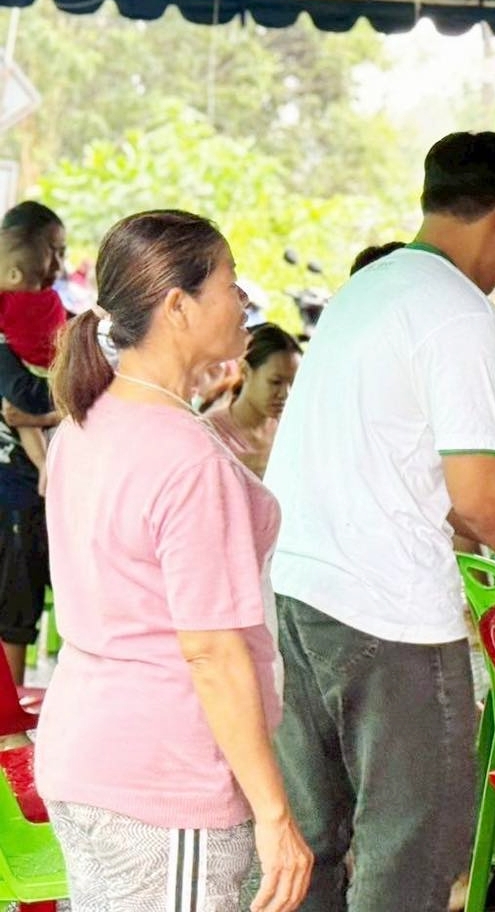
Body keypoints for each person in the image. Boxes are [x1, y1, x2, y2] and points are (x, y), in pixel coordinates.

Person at [264, 131, 495, 912]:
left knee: (313, 842)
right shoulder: (459, 310)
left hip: (295, 591)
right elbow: (481, 499)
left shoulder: (366, 290)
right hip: (385, 614)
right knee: (410, 855)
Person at [35, 209, 312, 912]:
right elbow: (211, 651)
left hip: (86, 754)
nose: (243, 300)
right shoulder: (183, 454)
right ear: (178, 306)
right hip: (164, 779)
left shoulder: (88, 422)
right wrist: (275, 814)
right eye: (229, 283)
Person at [0, 202, 65, 685]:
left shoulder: (44, 311)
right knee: (13, 614)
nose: (58, 264)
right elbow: (24, 393)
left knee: (17, 612)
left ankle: (10, 716)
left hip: (26, 492)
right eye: (52, 251)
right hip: (13, 491)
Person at [0, 228, 67, 496]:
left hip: (29, 371)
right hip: (54, 370)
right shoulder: (53, 299)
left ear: (14, 274)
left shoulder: (7, 301)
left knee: (22, 419)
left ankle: (42, 466)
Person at [206, 323, 302, 478]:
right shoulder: (211, 433)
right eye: (275, 382)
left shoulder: (290, 428)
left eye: (293, 384)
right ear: (245, 370)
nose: (285, 394)